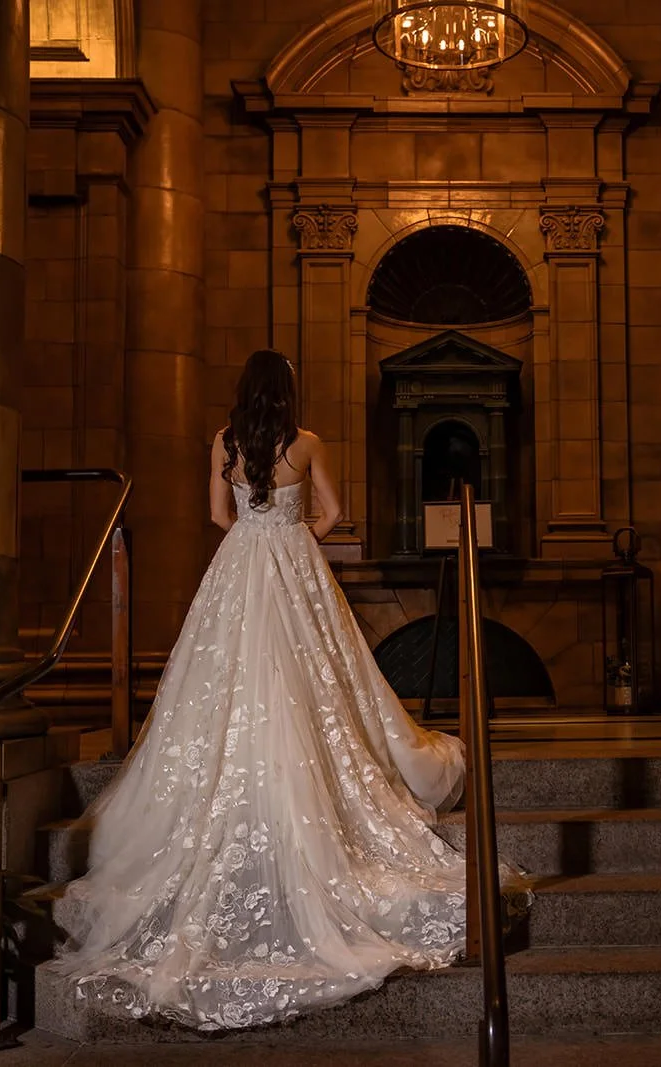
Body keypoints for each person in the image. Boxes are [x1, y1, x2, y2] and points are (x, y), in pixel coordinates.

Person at [54, 349, 510, 1033]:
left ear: (243, 394)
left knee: (224, 678)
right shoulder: (309, 443)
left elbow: (217, 516)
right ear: (287, 393)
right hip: (292, 560)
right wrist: (297, 537)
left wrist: (256, 533)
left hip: (239, 562)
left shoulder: (224, 442)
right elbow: (334, 511)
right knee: (316, 678)